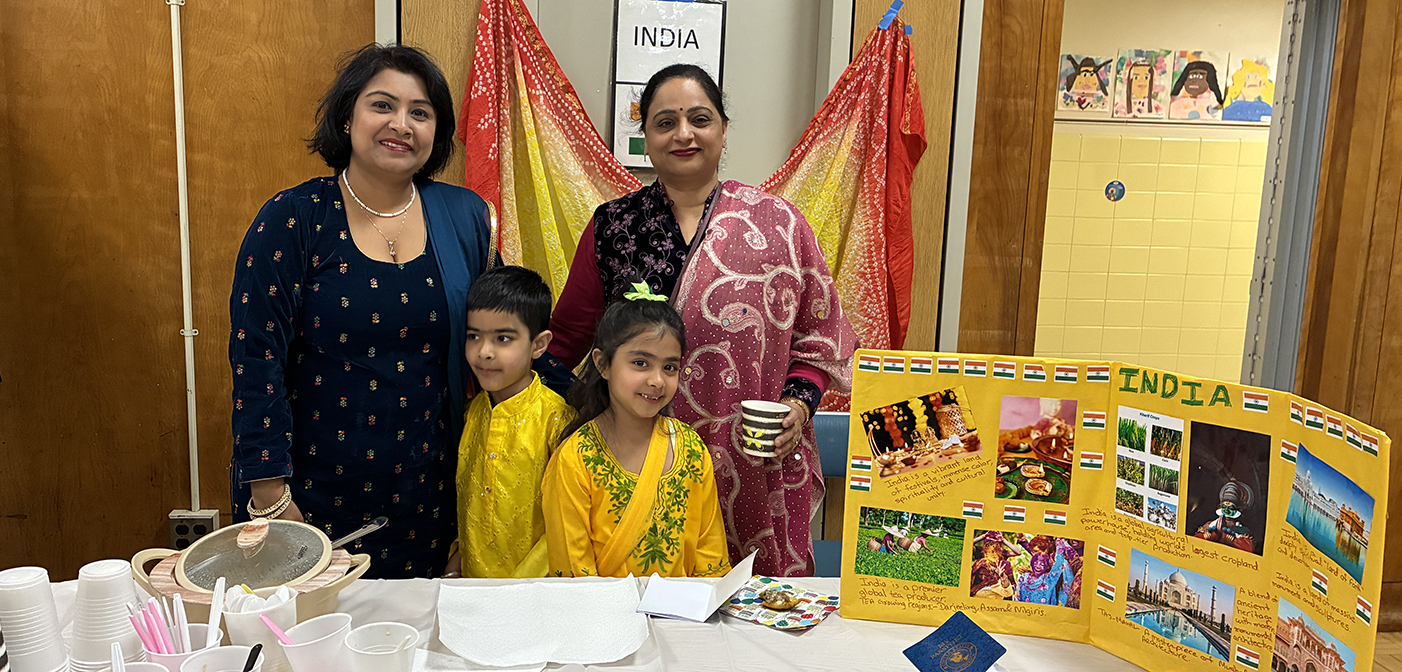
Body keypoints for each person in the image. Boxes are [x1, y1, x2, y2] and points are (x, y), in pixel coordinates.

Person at [547, 64, 858, 576]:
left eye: (700, 118)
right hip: (640, 469)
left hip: (756, 464)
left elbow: (818, 339)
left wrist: (797, 410)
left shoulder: (780, 224)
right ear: (644, 135)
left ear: (723, 129)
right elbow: (564, 344)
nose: (684, 134)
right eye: (665, 122)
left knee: (751, 628)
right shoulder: (613, 227)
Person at [228, 44, 494, 578]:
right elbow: (255, 364)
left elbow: (503, 337)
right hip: (305, 498)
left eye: (420, 112)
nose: (401, 124)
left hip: (428, 494)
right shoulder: (294, 218)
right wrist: (270, 497)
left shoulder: (464, 217)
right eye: (382, 105)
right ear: (347, 115)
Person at [542, 288, 730, 578]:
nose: (656, 380)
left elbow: (710, 558)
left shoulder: (690, 447)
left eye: (669, 367)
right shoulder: (575, 459)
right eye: (640, 363)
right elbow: (574, 573)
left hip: (682, 620)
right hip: (604, 619)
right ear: (602, 363)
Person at [447, 266, 574, 578]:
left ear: (539, 345)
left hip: (534, 596)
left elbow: (565, 526)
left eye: (503, 338)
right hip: (471, 592)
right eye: (473, 336)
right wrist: (457, 559)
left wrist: (516, 591)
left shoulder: (558, 423)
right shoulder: (470, 413)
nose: (484, 352)